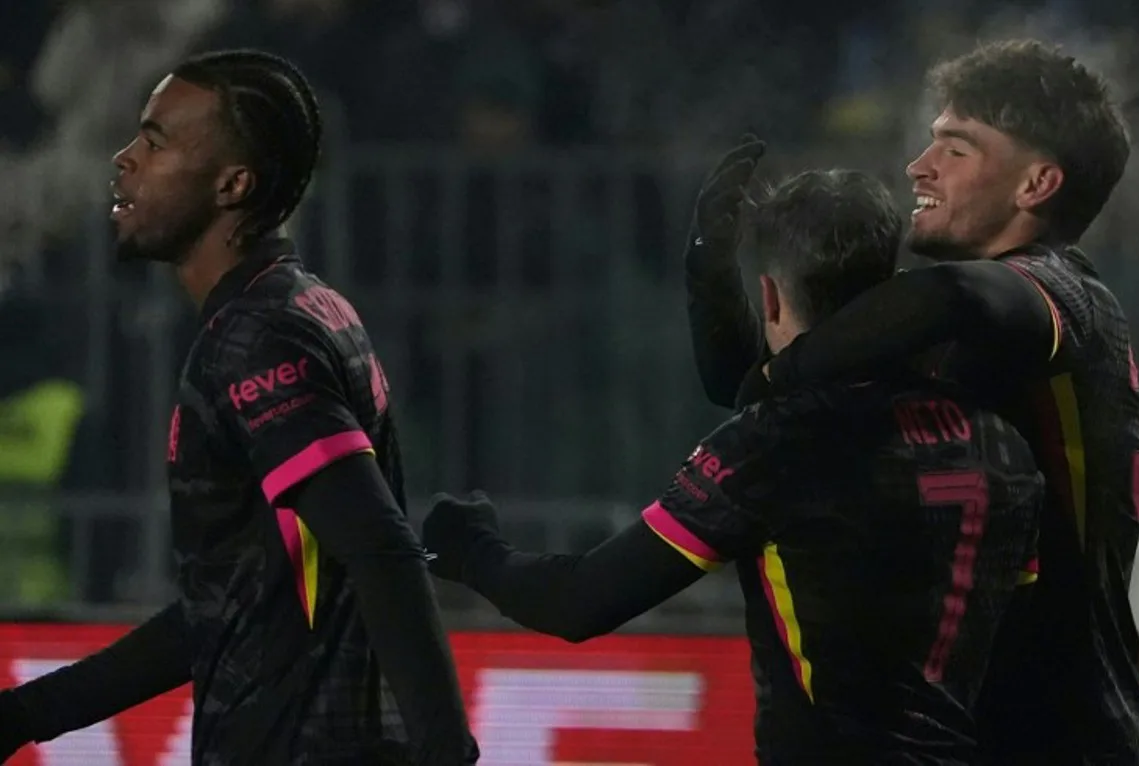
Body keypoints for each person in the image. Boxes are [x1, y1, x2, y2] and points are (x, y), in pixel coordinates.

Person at [421, 169, 1044, 765]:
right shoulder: (999, 439)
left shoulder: (778, 444)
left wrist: (472, 550)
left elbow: (577, 602)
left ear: (769, 295)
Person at [685, 40, 1139, 765]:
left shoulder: (1067, 297)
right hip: (984, 736)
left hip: (1070, 738)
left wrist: (781, 378)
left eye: (957, 147)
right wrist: (711, 271)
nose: (919, 166)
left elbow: (957, 295)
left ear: (1036, 184)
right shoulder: (937, 325)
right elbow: (748, 391)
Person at [0, 49, 477, 766]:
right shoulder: (301, 305)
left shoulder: (259, 334)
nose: (125, 158)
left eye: (156, 141)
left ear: (233, 184)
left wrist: (447, 753)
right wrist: (27, 714)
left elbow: (379, 547)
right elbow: (229, 605)